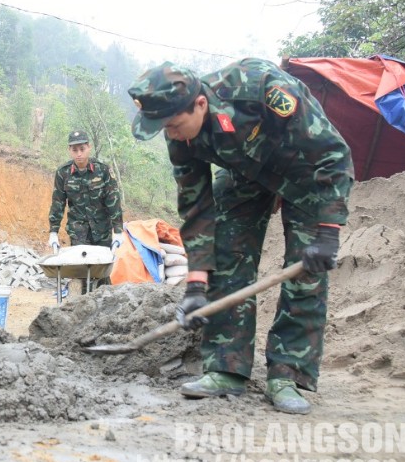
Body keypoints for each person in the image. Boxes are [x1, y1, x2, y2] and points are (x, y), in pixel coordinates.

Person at [127, 59, 353, 415]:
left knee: (305, 272)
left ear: (199, 104)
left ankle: (287, 375)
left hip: (306, 172)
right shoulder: (181, 135)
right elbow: (197, 208)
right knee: (226, 254)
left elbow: (333, 154)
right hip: (245, 174)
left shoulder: (260, 89)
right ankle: (226, 368)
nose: (170, 134)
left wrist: (328, 232)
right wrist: (197, 286)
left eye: (172, 125)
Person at [47, 130, 124, 294]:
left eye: (82, 149)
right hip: (78, 231)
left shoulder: (102, 170)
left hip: (102, 230)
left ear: (89, 147)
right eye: (75, 150)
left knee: (102, 272)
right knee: (81, 273)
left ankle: (105, 308)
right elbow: (58, 203)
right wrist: (53, 232)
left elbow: (113, 201)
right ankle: (81, 308)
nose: (79, 154)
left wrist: (118, 230)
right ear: (69, 150)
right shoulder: (63, 173)